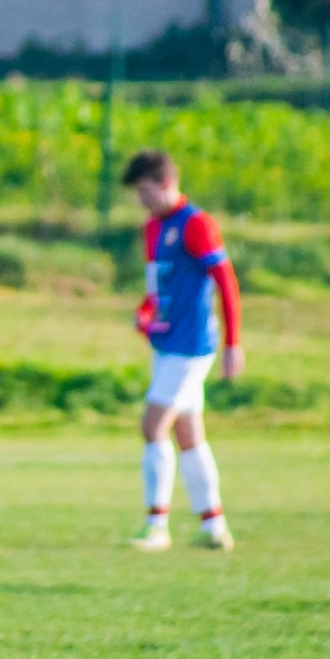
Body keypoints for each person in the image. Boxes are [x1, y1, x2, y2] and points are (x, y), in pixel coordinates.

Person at [122, 150, 243, 552]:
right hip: (167, 344)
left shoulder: (196, 224)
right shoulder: (153, 229)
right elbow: (157, 290)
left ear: (166, 183)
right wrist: (145, 314)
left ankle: (156, 525)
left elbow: (225, 281)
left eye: (145, 190)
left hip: (191, 347)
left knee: (153, 425)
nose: (141, 199)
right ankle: (213, 524)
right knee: (188, 432)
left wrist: (233, 343)